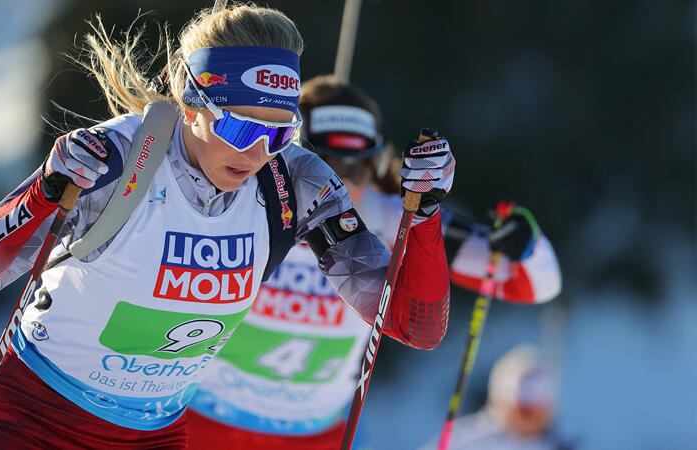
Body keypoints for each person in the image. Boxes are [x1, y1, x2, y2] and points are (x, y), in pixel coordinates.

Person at [0, 6, 455, 449]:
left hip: (156, 433)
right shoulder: (120, 159)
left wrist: (425, 214)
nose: (255, 151)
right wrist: (43, 195)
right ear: (190, 101)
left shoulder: (294, 181)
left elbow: (415, 326)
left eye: (279, 132)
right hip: (38, 418)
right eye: (238, 125)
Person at [186, 75, 562, 449]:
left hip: (314, 434)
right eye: (325, 161)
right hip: (205, 420)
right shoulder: (243, 196)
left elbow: (536, 283)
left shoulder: (391, 217)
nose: (339, 181)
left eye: (357, 167)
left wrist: (524, 242)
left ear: (377, 162)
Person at [420, 345, 573, 450]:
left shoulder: (559, 444)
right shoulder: (466, 442)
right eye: (521, 408)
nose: (528, 417)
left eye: (536, 409)